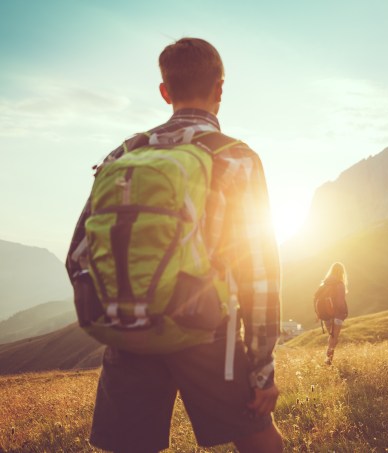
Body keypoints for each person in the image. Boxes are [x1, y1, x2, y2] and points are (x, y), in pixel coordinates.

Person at [66, 38, 283, 453]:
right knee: (258, 439)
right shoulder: (236, 158)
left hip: (128, 330)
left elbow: (79, 252)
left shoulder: (122, 155)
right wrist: (261, 370)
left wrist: (115, 312)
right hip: (204, 328)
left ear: (164, 92)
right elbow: (259, 270)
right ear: (220, 88)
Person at [315, 262, 349, 365]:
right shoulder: (340, 284)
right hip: (337, 315)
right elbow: (340, 302)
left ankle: (328, 359)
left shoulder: (324, 283)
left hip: (326, 315)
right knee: (334, 338)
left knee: (332, 337)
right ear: (342, 272)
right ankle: (328, 360)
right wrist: (344, 312)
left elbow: (316, 298)